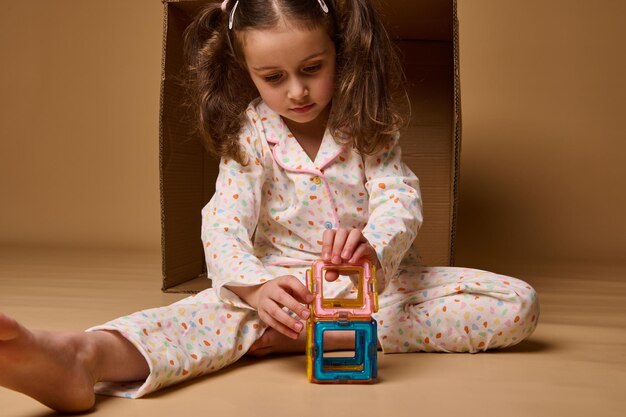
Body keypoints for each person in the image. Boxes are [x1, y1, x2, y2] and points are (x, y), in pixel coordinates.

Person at [0, 0, 539, 412]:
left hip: (376, 286)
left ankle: (296, 340)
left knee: (515, 303)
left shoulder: (369, 122)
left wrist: (374, 246)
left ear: (338, 52)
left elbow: (401, 196)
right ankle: (80, 356)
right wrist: (255, 289)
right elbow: (224, 221)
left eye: (312, 67)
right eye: (274, 77)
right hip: (280, 289)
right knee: (200, 320)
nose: (298, 92)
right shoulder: (249, 133)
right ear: (245, 71)